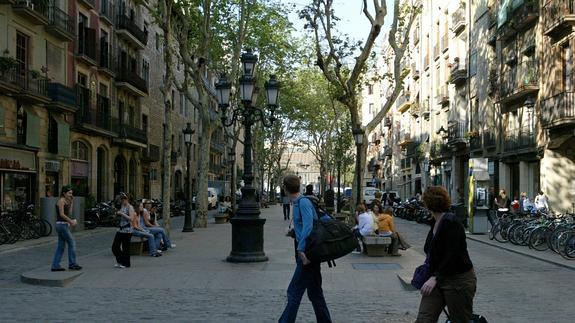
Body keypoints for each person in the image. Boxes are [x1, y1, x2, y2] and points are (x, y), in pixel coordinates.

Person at [415, 186, 476, 323]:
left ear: (428, 203)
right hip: (438, 279)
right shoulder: (434, 223)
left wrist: (434, 278)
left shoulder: (451, 223)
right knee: (424, 319)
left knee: (460, 320)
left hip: (458, 280)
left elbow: (452, 255)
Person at [279, 175, 332, 323]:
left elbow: (309, 226)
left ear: (285, 189)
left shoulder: (303, 203)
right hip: (309, 253)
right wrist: (294, 233)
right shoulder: (298, 203)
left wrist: (301, 250)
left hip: (307, 254)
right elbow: (304, 227)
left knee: (294, 291)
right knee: (315, 293)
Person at [51, 185, 82, 272]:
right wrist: (71, 221)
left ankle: (55, 265)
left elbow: (69, 213)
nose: (70, 195)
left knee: (61, 246)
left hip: (63, 225)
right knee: (72, 242)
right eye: (69, 193)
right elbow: (61, 214)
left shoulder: (66, 201)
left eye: (71, 193)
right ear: (64, 193)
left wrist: (71, 202)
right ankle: (72, 264)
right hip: (61, 225)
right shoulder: (61, 201)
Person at [111, 193, 135, 268]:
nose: (123, 200)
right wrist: (116, 214)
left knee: (125, 248)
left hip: (127, 230)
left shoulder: (130, 207)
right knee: (115, 247)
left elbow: (131, 218)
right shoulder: (121, 206)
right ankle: (120, 260)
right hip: (120, 229)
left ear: (127, 199)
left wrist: (121, 213)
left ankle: (126, 263)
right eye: (122, 199)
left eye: (124, 199)